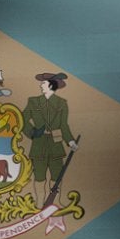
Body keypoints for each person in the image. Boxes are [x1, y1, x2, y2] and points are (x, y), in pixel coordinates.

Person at [23, 72, 76, 200]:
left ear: (51, 85)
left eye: (44, 83)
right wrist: (33, 132)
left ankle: (55, 202)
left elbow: (64, 125)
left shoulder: (62, 103)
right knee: (39, 176)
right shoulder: (33, 102)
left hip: (56, 145)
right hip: (38, 144)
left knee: (57, 176)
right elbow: (23, 120)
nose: (41, 85)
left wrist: (70, 142)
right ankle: (39, 203)